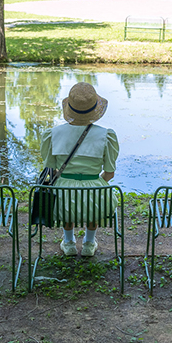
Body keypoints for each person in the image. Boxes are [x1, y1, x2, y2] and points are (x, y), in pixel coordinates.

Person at [40, 82, 118, 257]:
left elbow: (50, 170)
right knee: (94, 200)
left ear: (69, 107)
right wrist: (94, 183)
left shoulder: (53, 134)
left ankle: (68, 243)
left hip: (63, 197)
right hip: (96, 199)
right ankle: (89, 244)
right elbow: (110, 173)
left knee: (67, 200)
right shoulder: (106, 135)